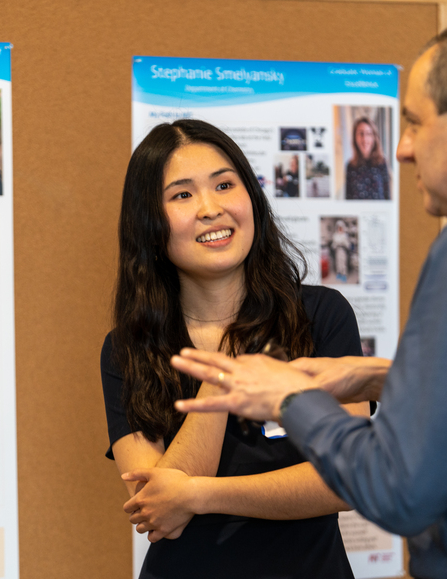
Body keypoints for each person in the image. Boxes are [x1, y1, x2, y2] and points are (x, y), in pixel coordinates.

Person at [174, 12, 447, 579]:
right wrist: (391, 377)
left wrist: (290, 398)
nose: (402, 149)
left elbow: (399, 490)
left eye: (413, 123)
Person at [101, 119, 368, 578]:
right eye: (182, 195)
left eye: (225, 184)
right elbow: (159, 510)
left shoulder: (321, 316)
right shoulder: (129, 348)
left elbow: (347, 479)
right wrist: (221, 369)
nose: (210, 208)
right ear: (149, 222)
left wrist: (202, 495)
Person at [344, 117, 390, 199]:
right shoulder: (350, 166)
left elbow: (388, 197)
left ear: (374, 138)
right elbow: (348, 199)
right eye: (361, 134)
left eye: (368, 134)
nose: (364, 139)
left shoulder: (382, 163)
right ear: (355, 138)